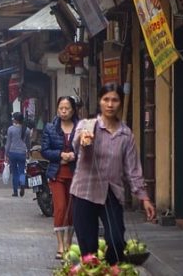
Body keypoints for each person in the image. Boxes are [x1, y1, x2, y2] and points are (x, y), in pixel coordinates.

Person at [72, 83, 157, 266]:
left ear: (120, 103)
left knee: (117, 240)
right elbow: (76, 145)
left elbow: (132, 169)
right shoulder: (87, 125)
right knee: (88, 249)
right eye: (106, 100)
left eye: (115, 100)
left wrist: (144, 198)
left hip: (111, 192)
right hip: (85, 192)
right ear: (100, 102)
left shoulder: (126, 135)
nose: (110, 104)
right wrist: (83, 139)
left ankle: (112, 269)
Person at [42, 96, 80, 259]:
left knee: (72, 210)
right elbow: (45, 150)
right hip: (56, 174)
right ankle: (60, 245)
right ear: (57, 109)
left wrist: (74, 155)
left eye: (67, 109)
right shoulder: (50, 128)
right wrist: (60, 154)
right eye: (61, 108)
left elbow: (87, 149)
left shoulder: (80, 128)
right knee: (60, 208)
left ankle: (69, 243)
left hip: (75, 175)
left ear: (73, 110)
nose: (64, 111)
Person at [5, 113, 29, 197]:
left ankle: (15, 191)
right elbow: (28, 143)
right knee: (22, 171)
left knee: (14, 172)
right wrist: (28, 152)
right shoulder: (27, 130)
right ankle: (22, 184)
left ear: (15, 119)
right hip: (22, 153)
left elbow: (8, 143)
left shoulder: (11, 129)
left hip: (13, 152)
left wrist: (6, 154)